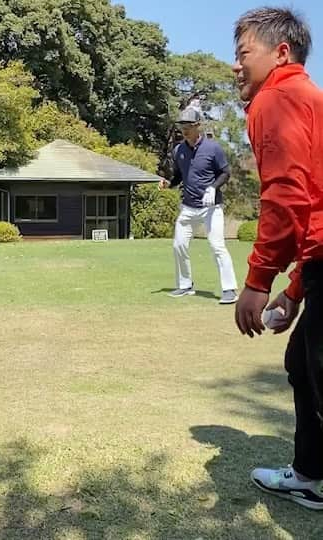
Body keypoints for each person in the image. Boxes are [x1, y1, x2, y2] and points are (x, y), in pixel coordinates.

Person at [233, 7, 323, 510]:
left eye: (244, 53)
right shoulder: (308, 97)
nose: (236, 65)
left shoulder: (278, 97)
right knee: (303, 363)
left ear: (281, 53)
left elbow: (287, 199)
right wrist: (294, 293)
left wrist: (259, 279)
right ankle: (309, 476)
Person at [159, 107, 238, 304]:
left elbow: (225, 172)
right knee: (179, 245)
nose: (184, 130)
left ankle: (229, 290)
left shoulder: (213, 148)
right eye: (182, 126)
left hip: (211, 208)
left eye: (188, 126)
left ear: (197, 126)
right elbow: (179, 176)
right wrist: (169, 183)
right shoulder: (178, 150)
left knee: (217, 246)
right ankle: (185, 285)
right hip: (188, 207)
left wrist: (213, 187)